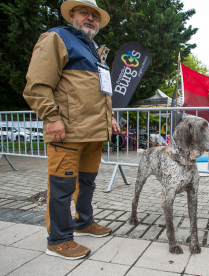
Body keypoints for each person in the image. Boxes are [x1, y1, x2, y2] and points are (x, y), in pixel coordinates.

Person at [23, 0, 121, 260]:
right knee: (61, 186)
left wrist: (109, 117)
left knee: (86, 182)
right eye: (84, 12)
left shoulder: (94, 49)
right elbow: (38, 83)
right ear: (71, 15)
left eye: (95, 15)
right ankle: (58, 240)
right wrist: (51, 117)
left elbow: (102, 92)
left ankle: (83, 222)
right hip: (67, 130)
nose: (91, 18)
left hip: (94, 132)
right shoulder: (57, 38)